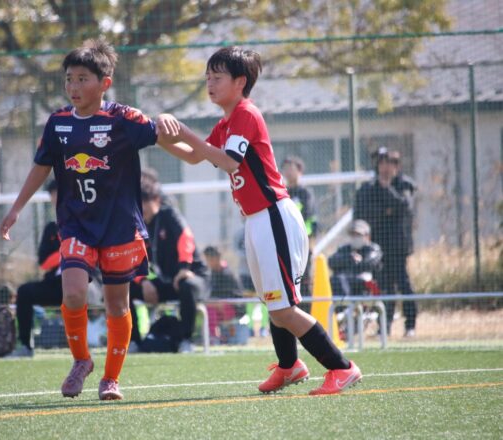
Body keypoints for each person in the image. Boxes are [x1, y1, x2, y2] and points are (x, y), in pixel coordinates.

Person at [156, 46, 362, 395]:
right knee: (273, 302)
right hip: (256, 220)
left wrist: (184, 131)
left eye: (217, 77)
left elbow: (229, 161)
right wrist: (157, 136)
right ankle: (289, 366)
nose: (209, 83)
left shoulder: (246, 114)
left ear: (240, 82)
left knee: (283, 308)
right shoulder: (227, 122)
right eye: (207, 77)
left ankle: (342, 367)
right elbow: (194, 157)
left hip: (273, 216)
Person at [0, 39, 187, 400]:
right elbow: (40, 167)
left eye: (82, 79)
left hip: (119, 227)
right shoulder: (58, 123)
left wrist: (199, 149)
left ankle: (111, 378)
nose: (73, 87)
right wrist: (16, 208)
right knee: (72, 292)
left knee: (117, 305)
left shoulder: (124, 119)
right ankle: (81, 360)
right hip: (76, 224)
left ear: (105, 83)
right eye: (69, 79)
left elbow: (162, 135)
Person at [9, 180, 102, 357]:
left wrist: (72, 251)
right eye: (54, 197)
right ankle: (25, 346)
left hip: (86, 281)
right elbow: (44, 263)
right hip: (57, 284)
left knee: (98, 290)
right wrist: (66, 251)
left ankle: (101, 342)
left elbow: (96, 255)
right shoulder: (52, 228)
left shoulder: (88, 223)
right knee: (25, 291)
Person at [129, 175, 209, 353]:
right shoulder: (138, 225)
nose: (141, 208)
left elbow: (185, 238)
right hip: (168, 281)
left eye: (145, 202)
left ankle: (186, 341)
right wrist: (143, 281)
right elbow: (134, 254)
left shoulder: (169, 215)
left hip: (193, 276)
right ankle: (134, 341)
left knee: (187, 285)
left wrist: (184, 268)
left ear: (156, 199)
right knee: (124, 288)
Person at [354, 147, 417, 337]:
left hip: (398, 245)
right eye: (381, 163)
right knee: (384, 287)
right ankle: (384, 326)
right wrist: (386, 210)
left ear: (396, 166)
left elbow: (404, 207)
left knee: (403, 285)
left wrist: (387, 189)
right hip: (378, 246)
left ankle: (410, 325)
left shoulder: (404, 185)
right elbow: (363, 213)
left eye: (389, 163)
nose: (385, 168)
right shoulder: (370, 187)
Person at [281, 156, 317, 303]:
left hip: (302, 243)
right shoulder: (282, 192)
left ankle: (305, 309)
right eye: (285, 169)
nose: (288, 172)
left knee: (304, 279)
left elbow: (309, 216)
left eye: (292, 168)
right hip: (285, 243)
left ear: (300, 171)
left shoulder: (305, 193)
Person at [328, 220, 383, 298]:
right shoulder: (345, 249)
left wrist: (357, 262)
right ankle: (344, 304)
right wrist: (350, 259)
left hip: (367, 285)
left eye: (358, 235)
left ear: (367, 236)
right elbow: (331, 261)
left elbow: (370, 263)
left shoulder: (373, 249)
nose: (355, 238)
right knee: (336, 280)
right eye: (353, 235)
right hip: (347, 283)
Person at [203, 245, 243, 344]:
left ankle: (223, 336)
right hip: (217, 307)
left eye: (210, 259)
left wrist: (219, 303)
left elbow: (235, 296)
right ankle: (213, 337)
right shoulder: (211, 274)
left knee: (213, 307)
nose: (208, 262)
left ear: (217, 258)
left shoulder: (228, 273)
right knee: (209, 308)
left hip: (234, 308)